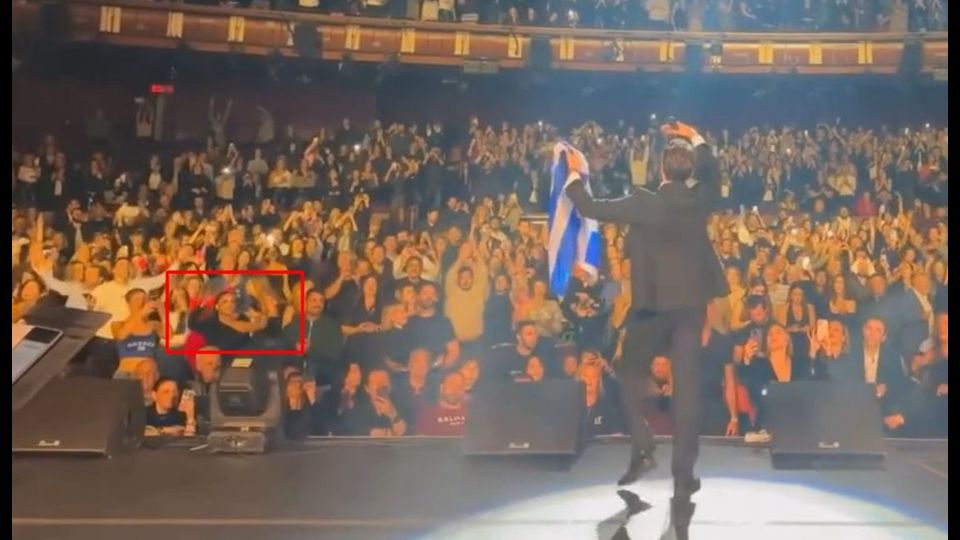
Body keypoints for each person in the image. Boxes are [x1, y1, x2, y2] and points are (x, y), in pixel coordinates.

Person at [565, 121, 727, 497]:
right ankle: (683, 474)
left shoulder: (643, 202)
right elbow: (711, 169)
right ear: (688, 171)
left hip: (652, 308)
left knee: (626, 372)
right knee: (687, 391)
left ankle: (642, 442)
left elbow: (590, 206)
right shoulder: (700, 198)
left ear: (660, 171)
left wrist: (573, 176)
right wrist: (695, 136)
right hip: (690, 310)